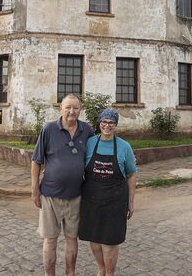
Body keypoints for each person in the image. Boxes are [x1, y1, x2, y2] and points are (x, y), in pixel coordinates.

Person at [31, 94, 95, 276]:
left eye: (75, 108)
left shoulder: (87, 130)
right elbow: (36, 161)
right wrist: (35, 190)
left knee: (72, 239)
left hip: (76, 195)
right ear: (61, 109)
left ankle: (70, 273)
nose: (71, 111)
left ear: (80, 110)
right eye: (68, 107)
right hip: (50, 195)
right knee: (50, 239)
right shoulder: (49, 129)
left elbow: (96, 155)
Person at [78, 108, 138, 276]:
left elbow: (131, 174)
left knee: (110, 242)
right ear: (99, 123)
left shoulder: (124, 146)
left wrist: (131, 202)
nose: (107, 125)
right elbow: (75, 164)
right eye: (104, 122)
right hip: (91, 199)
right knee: (94, 239)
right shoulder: (90, 143)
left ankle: (110, 273)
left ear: (116, 125)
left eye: (111, 122)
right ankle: (101, 269)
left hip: (115, 201)